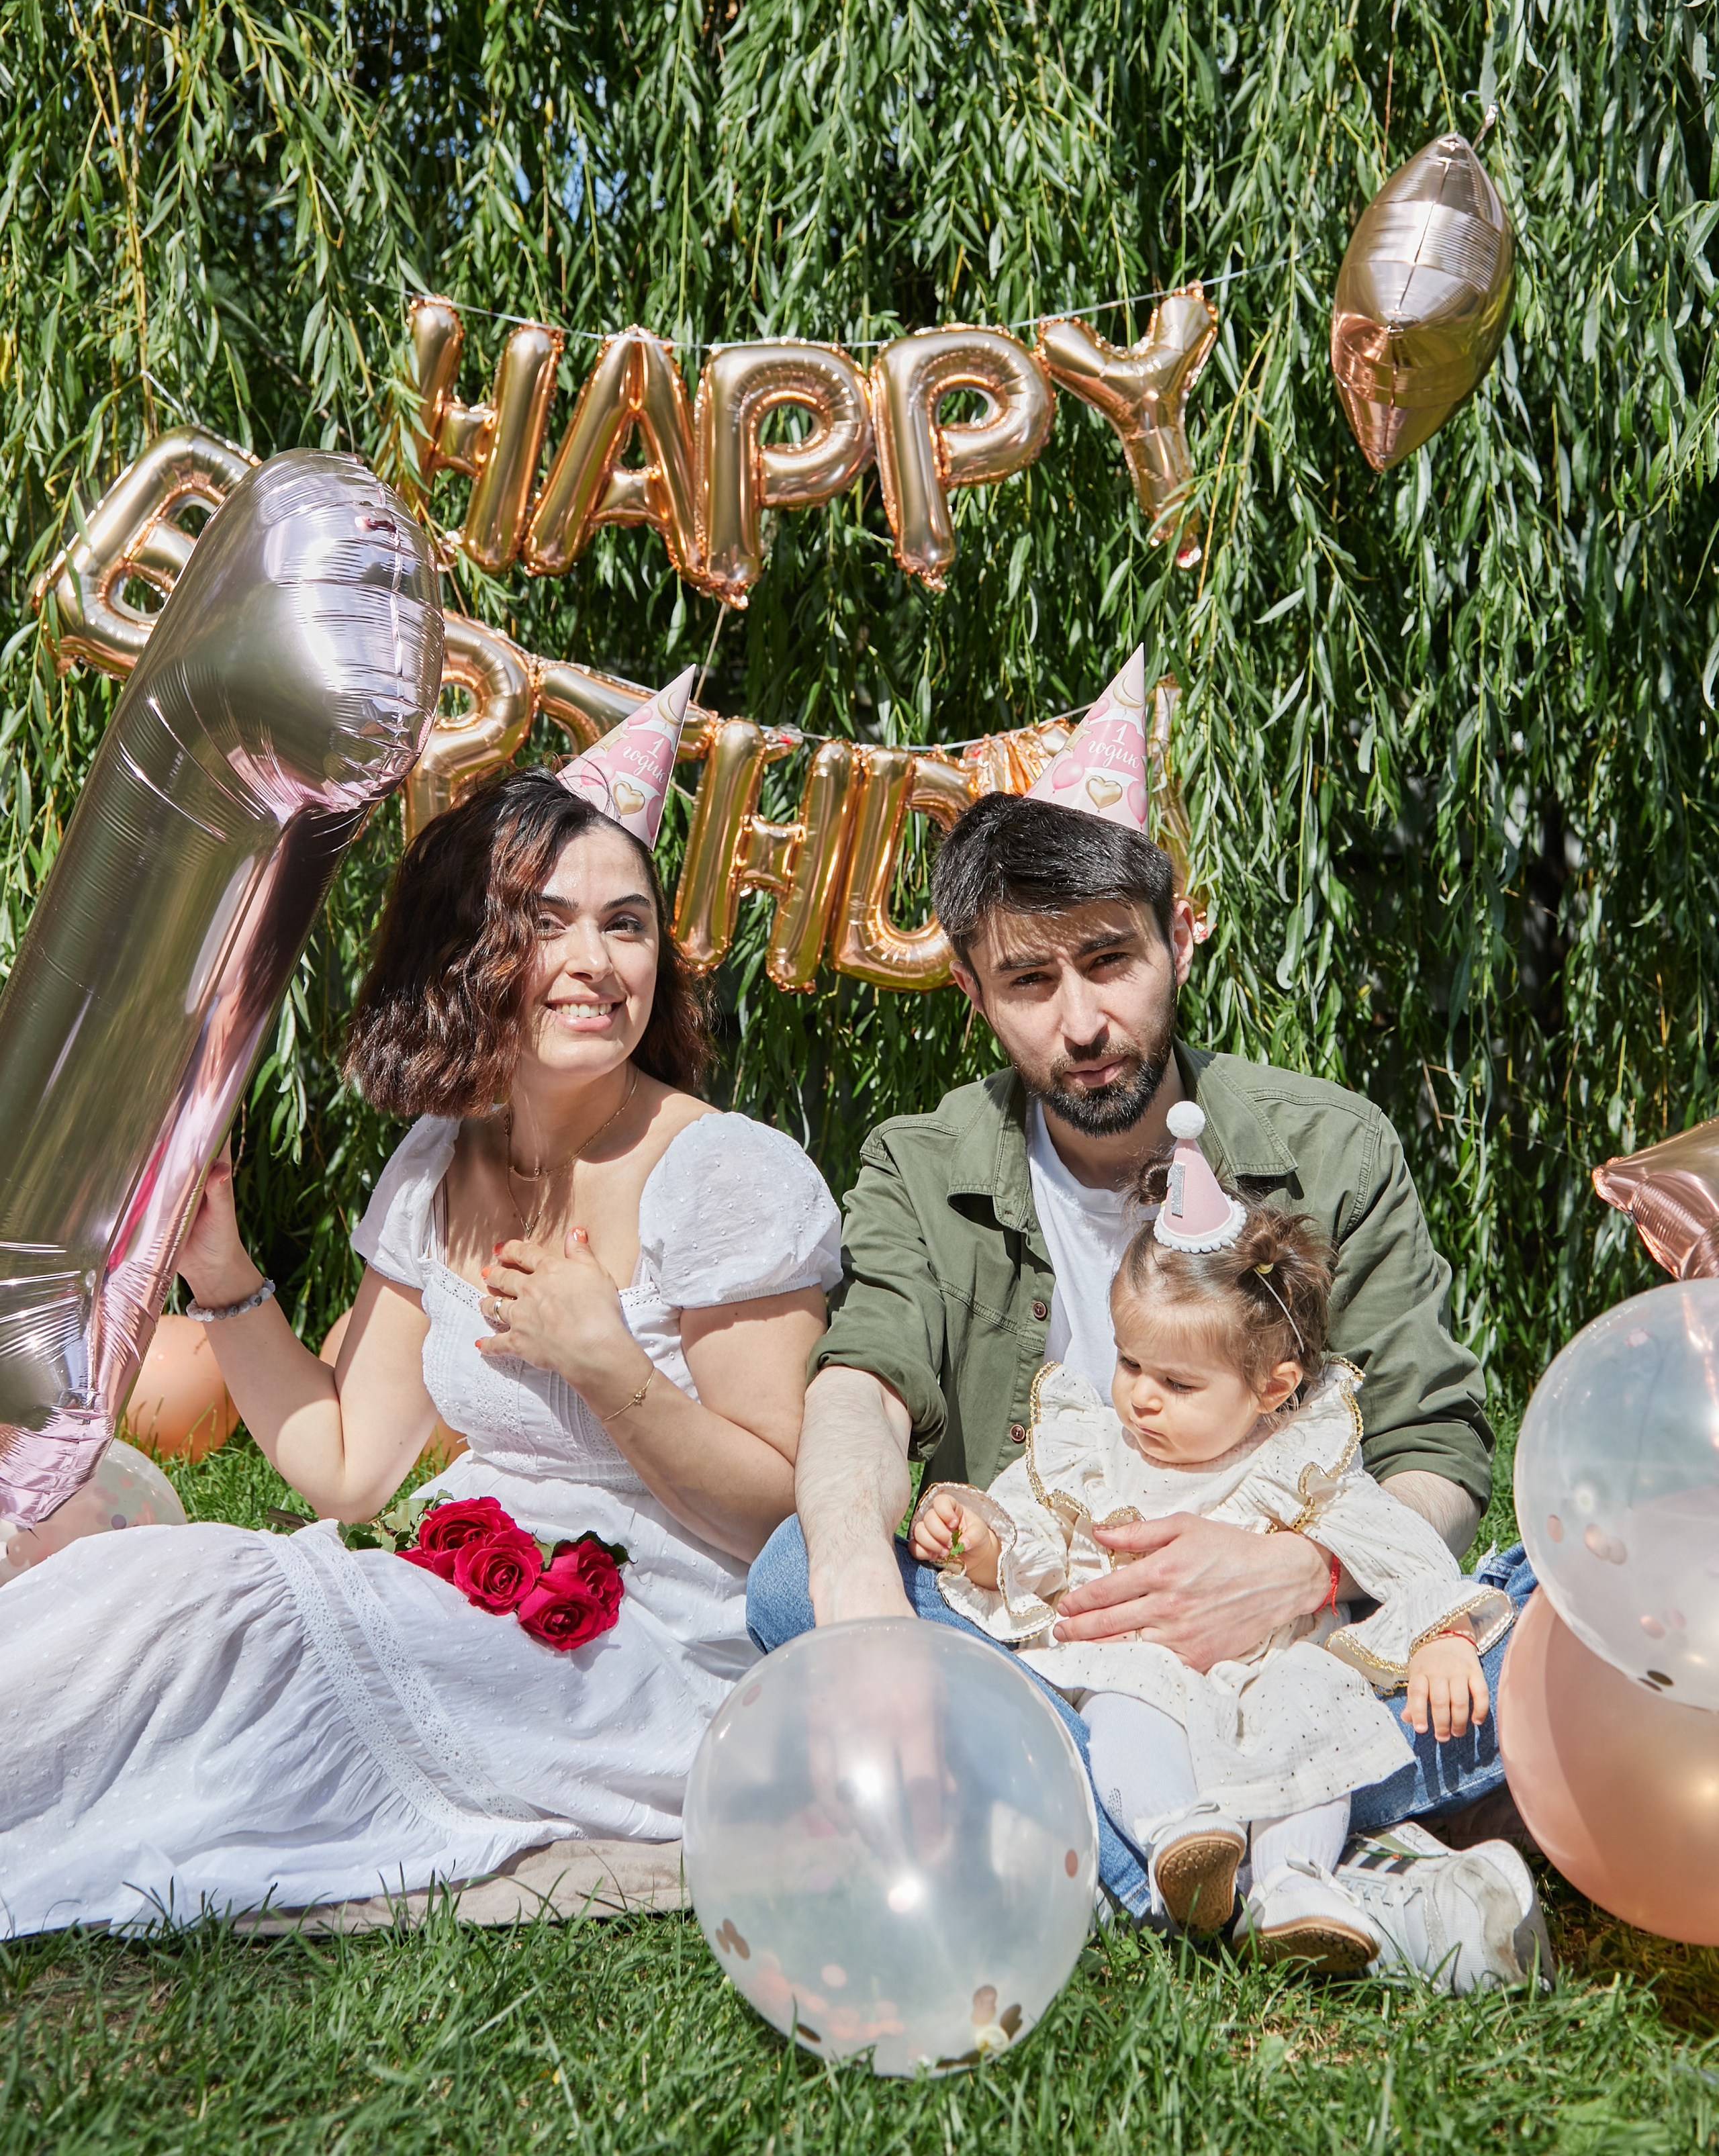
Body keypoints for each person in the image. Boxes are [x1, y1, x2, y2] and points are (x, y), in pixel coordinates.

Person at [0, 677, 842, 1934]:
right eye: (548, 925)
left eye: (626, 926)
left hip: (643, 1651)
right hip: (461, 1598)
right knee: (166, 1596)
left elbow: (789, 1507)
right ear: (471, 952)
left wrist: (609, 1367)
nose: (596, 964)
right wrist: (224, 1277)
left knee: (248, 1646)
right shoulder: (440, 1161)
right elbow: (343, 1469)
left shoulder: (723, 1174)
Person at [747, 647, 1540, 1982]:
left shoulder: (1325, 1147)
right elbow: (857, 1387)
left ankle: (1142, 1869)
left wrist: (1306, 1569)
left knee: (1534, 1621)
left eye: (1109, 961)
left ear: (1180, 937)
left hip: (1308, 1636)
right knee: (793, 1580)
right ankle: (1302, 1881)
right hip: (1069, 1650)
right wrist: (859, 1607)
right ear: (974, 997)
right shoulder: (920, 1161)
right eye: (1029, 984)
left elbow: (1438, 1447)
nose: (1081, 1024)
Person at [909, 1107, 1545, 1983]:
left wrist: (1440, 1637)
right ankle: (1182, 1846)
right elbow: (1037, 1546)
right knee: (1125, 1708)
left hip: (1272, 1675)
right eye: (1129, 1363)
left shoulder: (1299, 1463)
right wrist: (981, 1540)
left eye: (1176, 1381)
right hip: (1143, 1668)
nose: (1141, 1399)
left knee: (1318, 1720)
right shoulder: (1095, 1453)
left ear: (1271, 1387)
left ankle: (1293, 1885)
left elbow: (1393, 1545)